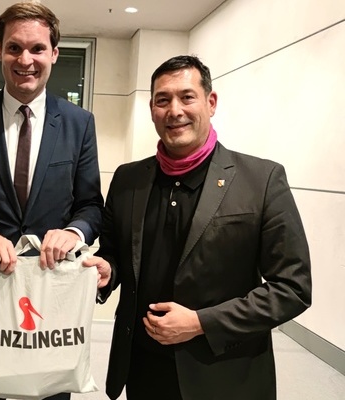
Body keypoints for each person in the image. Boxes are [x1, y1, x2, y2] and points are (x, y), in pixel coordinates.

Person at [83, 55, 312, 399]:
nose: (175, 110)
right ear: (151, 109)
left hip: (224, 375)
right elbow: (116, 254)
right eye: (163, 100)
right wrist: (107, 270)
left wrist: (200, 323)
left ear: (211, 101)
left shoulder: (261, 180)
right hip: (144, 371)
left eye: (187, 96)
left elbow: (292, 288)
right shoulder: (128, 179)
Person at [0, 2, 104, 400]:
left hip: (52, 297)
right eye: (14, 48)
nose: (25, 59)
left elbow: (91, 206)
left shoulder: (80, 123)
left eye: (37, 49)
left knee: (50, 394)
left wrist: (74, 231)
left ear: (54, 53)